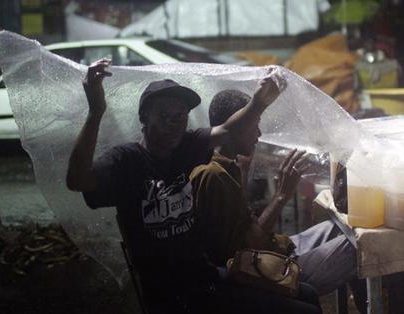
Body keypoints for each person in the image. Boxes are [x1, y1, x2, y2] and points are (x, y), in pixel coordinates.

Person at [65, 59, 288, 313]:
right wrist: (96, 111)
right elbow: (77, 181)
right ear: (143, 118)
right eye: (163, 116)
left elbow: (229, 129)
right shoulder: (126, 161)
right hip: (169, 295)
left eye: (180, 116)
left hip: (205, 279)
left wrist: (259, 102)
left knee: (305, 293)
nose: (174, 124)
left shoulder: (186, 146)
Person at [190, 89, 404, 313]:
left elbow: (244, 227)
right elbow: (245, 252)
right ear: (236, 125)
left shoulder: (229, 164)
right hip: (264, 273)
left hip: (274, 248)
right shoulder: (214, 175)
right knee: (373, 247)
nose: (258, 133)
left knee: (348, 228)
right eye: (253, 124)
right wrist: (281, 196)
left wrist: (244, 175)